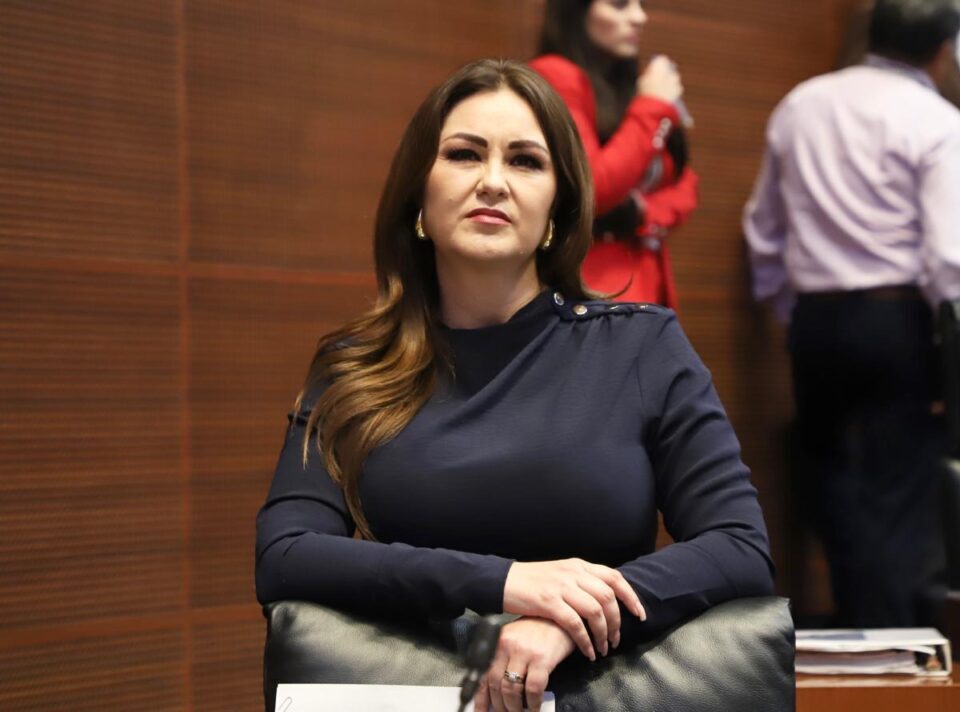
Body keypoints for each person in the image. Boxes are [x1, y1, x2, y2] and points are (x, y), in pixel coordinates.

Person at [257, 58, 773, 712]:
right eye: (464, 154)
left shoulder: (642, 346)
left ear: (558, 206)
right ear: (419, 196)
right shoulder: (353, 365)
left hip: (598, 688)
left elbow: (740, 547)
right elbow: (286, 554)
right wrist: (508, 583)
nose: (493, 182)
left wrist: (571, 618)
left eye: (526, 161)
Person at [743, 0, 960, 627]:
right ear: (941, 52)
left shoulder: (802, 103)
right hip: (900, 323)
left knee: (829, 478)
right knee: (901, 488)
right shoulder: (938, 120)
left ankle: (857, 623)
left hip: (816, 322)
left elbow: (764, 231)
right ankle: (895, 640)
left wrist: (791, 313)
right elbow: (948, 258)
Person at [529, 0, 699, 308]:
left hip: (646, 282)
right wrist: (653, 107)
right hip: (595, 287)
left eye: (640, 4)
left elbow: (685, 184)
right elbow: (592, 185)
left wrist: (640, 213)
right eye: (620, 4)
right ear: (576, 10)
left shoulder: (629, 85)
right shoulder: (555, 74)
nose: (639, 17)